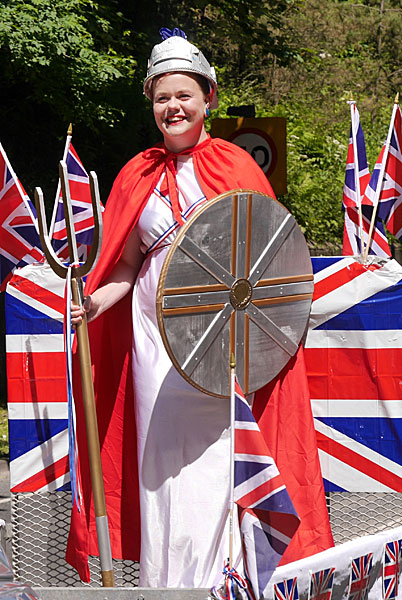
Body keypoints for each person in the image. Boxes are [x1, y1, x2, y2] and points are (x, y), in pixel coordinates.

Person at [66, 27, 333, 589]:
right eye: (162, 97)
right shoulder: (136, 174)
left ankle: (220, 583)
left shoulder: (236, 165)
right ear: (151, 104)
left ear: (207, 97)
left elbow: (270, 259)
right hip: (152, 338)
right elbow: (124, 264)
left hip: (221, 342)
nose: (173, 107)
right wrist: (92, 304)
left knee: (217, 466)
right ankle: (165, 586)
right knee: (160, 467)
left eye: (183, 94)